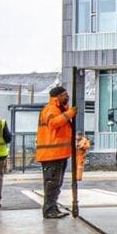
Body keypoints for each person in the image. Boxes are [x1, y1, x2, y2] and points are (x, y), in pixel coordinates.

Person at [36, 86, 75, 219]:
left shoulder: (59, 109)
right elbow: (52, 123)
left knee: (56, 183)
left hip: (59, 154)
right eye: (64, 95)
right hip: (51, 154)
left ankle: (53, 207)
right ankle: (49, 210)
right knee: (52, 183)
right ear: (57, 97)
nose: (67, 97)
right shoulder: (50, 109)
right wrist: (69, 113)